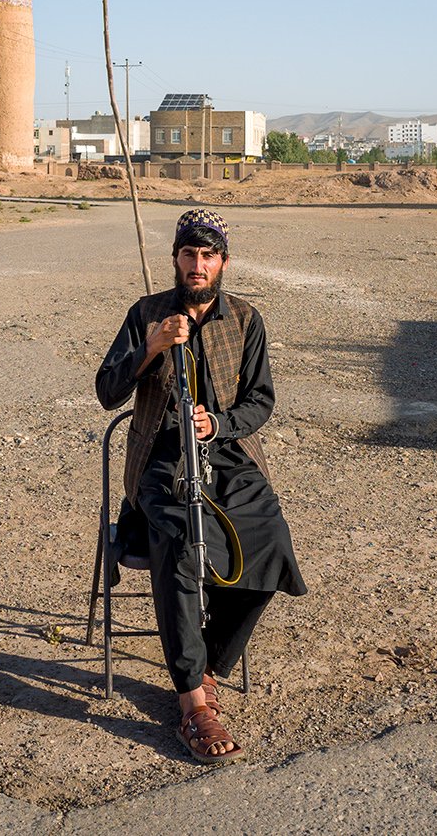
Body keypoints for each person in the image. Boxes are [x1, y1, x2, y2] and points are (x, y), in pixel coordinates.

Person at [95, 208, 306, 762]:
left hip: (230, 456)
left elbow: (260, 400)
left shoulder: (245, 318)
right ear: (175, 260)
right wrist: (152, 348)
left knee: (273, 547)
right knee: (182, 546)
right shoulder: (147, 315)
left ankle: (209, 663)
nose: (198, 264)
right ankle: (192, 702)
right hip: (161, 462)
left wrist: (221, 423)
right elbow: (106, 392)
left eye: (208, 255)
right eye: (189, 254)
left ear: (223, 263)